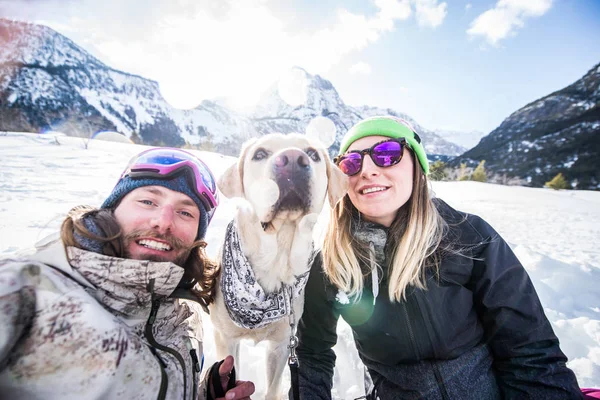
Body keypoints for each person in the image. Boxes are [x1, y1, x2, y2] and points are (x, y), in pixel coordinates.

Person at [295, 116, 584, 399]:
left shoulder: (469, 235)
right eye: (351, 162)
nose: (367, 170)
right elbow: (312, 353)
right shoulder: (331, 262)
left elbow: (529, 351)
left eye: (387, 153)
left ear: (416, 167)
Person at [0, 148, 255, 400]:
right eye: (148, 201)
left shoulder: (183, 312)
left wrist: (203, 394)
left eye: (185, 212)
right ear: (112, 208)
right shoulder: (24, 291)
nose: (163, 222)